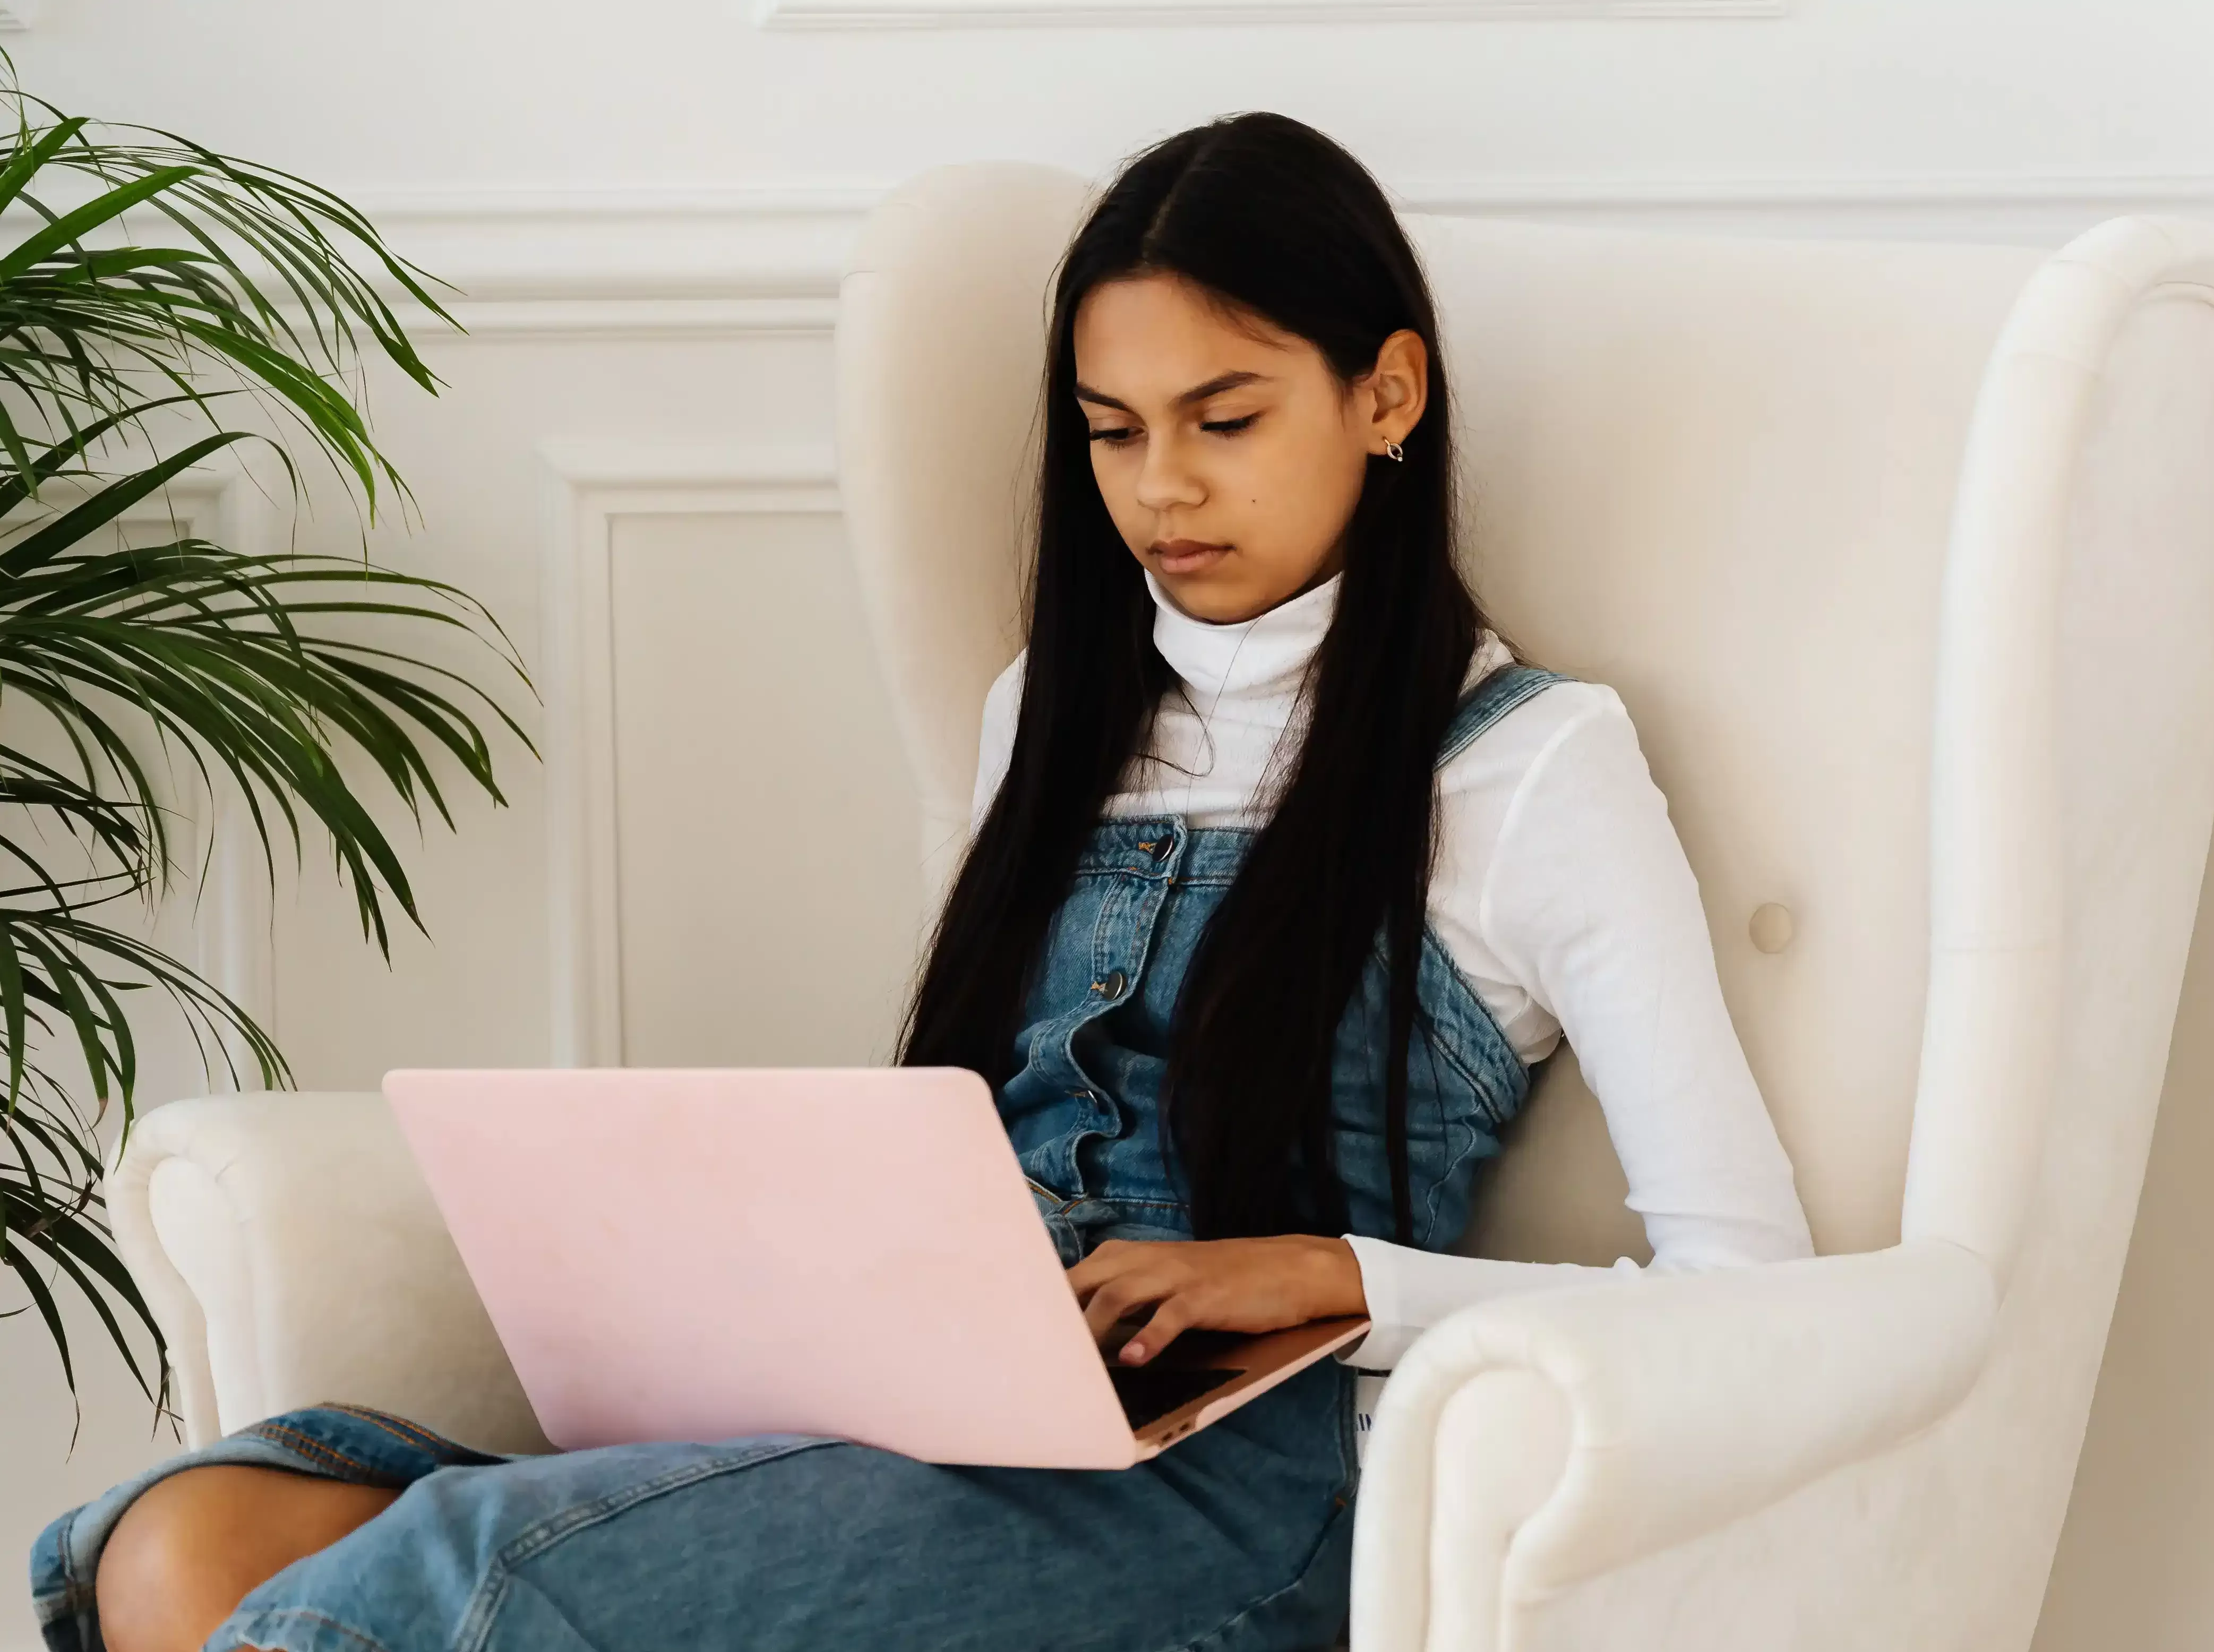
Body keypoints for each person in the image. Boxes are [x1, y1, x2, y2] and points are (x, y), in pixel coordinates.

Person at [29, 109, 1814, 1652]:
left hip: (1235, 1491)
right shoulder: (1051, 712)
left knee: (424, 1590)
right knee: (189, 1544)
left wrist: (1349, 1280)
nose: (1163, 489)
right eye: (1113, 431)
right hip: (934, 1394)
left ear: (1387, 393)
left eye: (1226, 417)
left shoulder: (1527, 764)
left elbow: (1755, 1296)